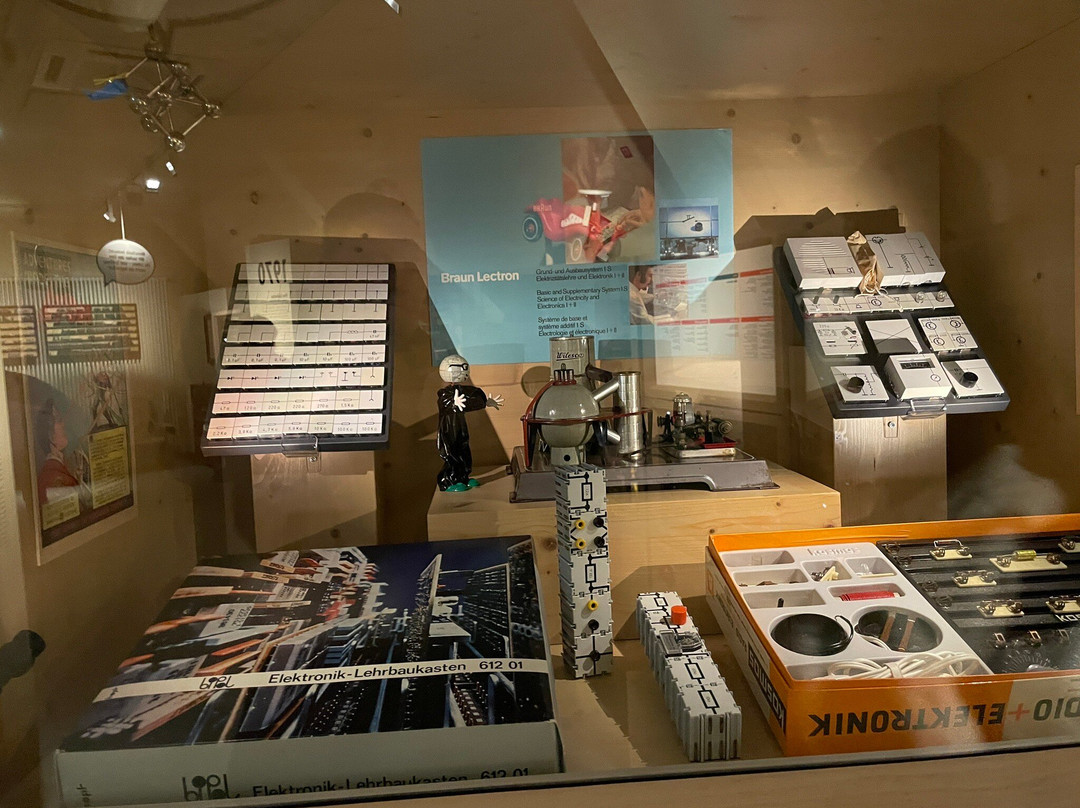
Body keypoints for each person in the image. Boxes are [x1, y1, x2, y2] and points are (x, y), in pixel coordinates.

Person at [436, 354, 503, 492]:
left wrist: (485, 402)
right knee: (452, 453)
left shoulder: (463, 390)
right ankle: (449, 481)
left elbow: (472, 399)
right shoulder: (444, 394)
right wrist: (453, 403)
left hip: (460, 426)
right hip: (448, 429)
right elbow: (445, 403)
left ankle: (463, 477)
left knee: (464, 451)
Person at [35, 400, 80, 507]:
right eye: (59, 420)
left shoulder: (60, 468)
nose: (63, 424)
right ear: (49, 434)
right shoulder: (52, 478)